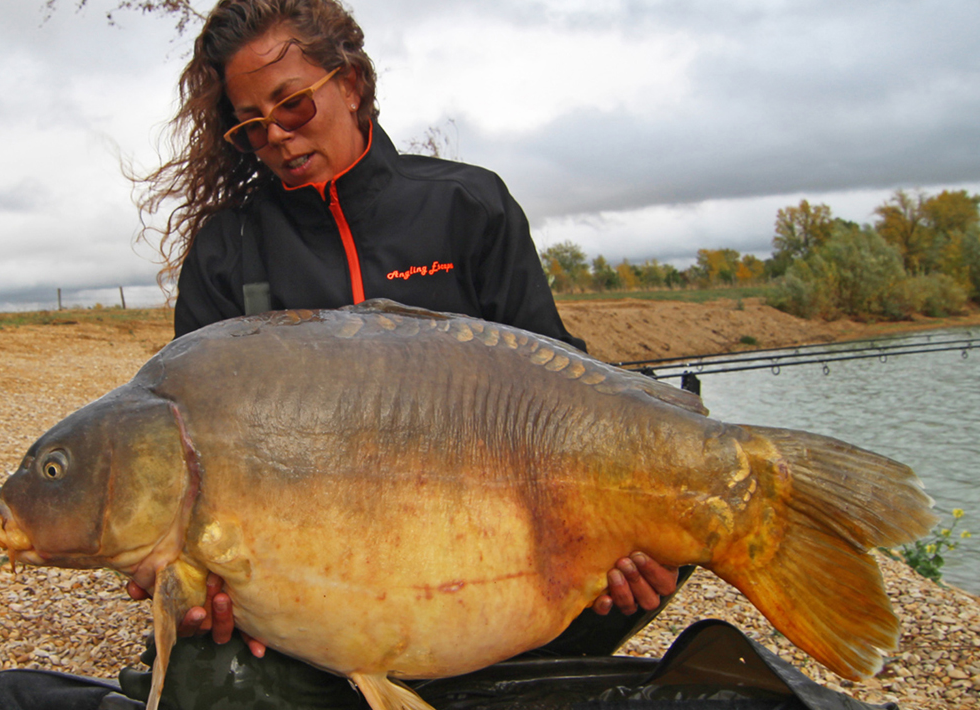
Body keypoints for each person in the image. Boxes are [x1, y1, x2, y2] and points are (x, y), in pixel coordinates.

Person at [128, 0, 684, 668]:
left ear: (351, 84)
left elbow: (565, 388)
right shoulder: (225, 253)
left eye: (293, 105)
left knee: (671, 535)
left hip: (496, 562)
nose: (275, 135)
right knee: (201, 664)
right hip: (307, 597)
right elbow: (193, 458)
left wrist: (623, 549)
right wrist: (187, 578)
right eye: (251, 126)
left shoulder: (467, 206)